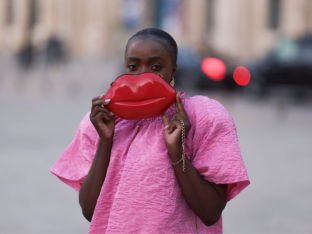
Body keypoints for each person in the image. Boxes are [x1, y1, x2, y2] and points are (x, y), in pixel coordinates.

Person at [50, 28, 250, 233]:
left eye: (156, 66)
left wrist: (176, 150)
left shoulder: (205, 117)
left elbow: (210, 213)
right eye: (133, 66)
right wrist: (105, 141)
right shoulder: (102, 121)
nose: (143, 76)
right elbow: (91, 212)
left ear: (173, 70)